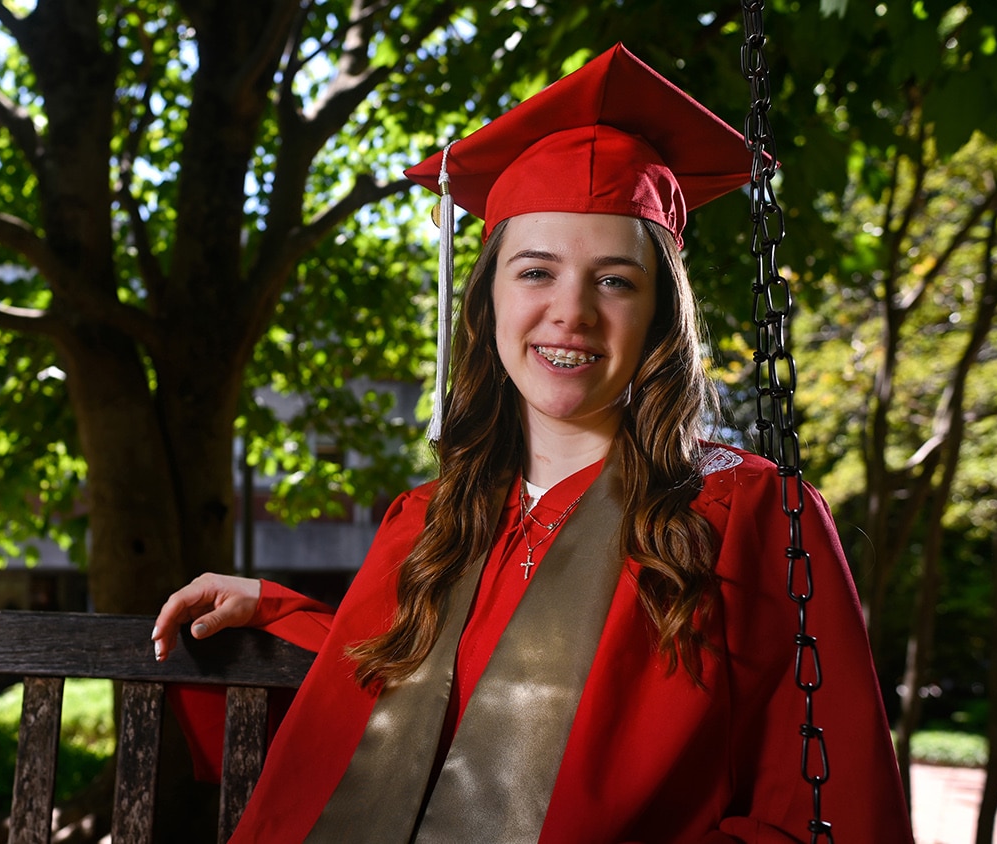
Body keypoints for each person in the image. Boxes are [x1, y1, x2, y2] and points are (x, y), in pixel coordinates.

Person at [152, 44, 913, 843]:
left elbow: (827, 803)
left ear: (659, 316)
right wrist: (274, 612)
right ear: (486, 301)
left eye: (615, 280)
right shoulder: (430, 520)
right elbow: (398, 706)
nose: (571, 312)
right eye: (536, 272)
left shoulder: (748, 513)